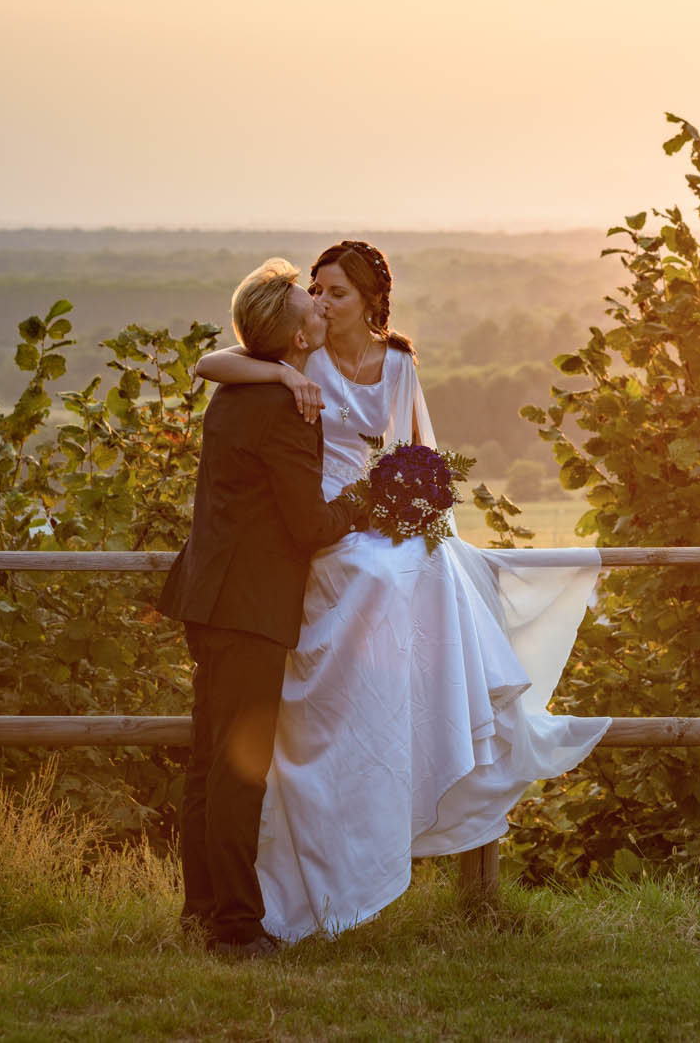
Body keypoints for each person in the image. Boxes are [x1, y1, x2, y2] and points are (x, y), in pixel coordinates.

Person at [193, 239, 609, 944]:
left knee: (432, 567)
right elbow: (215, 360)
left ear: (369, 302)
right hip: (320, 515)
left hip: (365, 507)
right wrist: (289, 383)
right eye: (315, 292)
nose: (321, 303)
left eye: (334, 293)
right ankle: (355, 748)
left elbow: (418, 452)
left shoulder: (399, 363)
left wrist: (416, 509)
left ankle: (429, 711)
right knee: (372, 575)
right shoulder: (298, 359)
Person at [156, 259, 364, 959]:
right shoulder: (284, 405)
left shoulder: (242, 388)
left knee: (208, 761)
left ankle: (201, 911)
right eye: (312, 305)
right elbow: (309, 526)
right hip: (247, 606)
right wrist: (367, 501)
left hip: (207, 597)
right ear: (296, 339)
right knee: (237, 768)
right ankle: (237, 929)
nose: (321, 307)